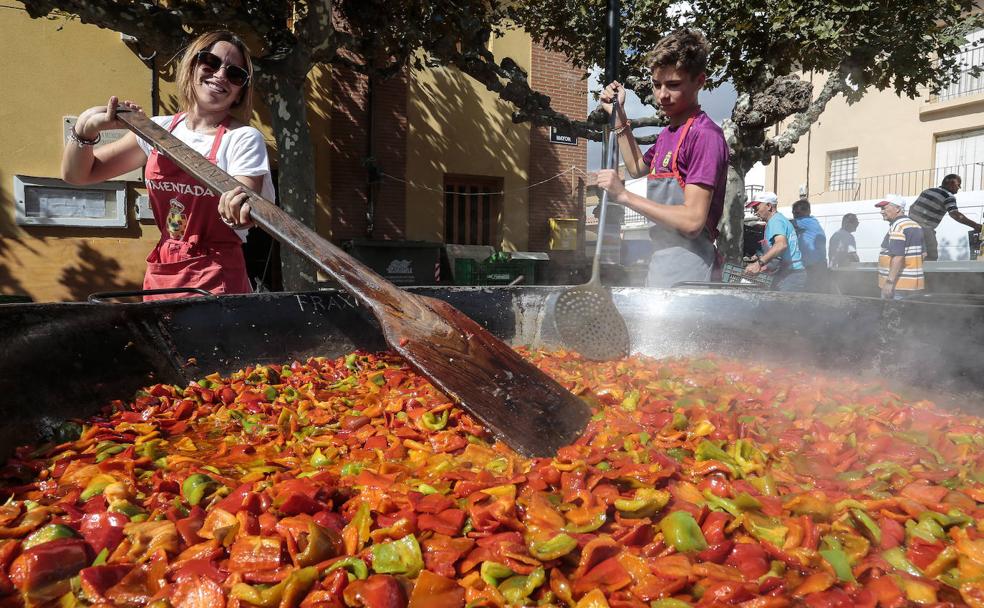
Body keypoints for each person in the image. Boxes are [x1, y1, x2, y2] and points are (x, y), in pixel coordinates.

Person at [62, 30, 273, 301]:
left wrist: (239, 208)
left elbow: (243, 211)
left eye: (234, 74)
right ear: (192, 66)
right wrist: (86, 129)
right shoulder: (158, 130)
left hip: (215, 275)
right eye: (211, 62)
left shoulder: (243, 138)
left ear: (240, 92)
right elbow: (77, 175)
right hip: (164, 270)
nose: (220, 75)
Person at [595, 28, 729, 287]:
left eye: (673, 85)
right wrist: (618, 114)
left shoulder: (704, 135)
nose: (662, 95)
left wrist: (623, 196)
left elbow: (692, 221)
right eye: (657, 85)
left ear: (700, 81)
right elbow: (634, 167)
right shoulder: (668, 134)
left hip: (691, 273)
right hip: (660, 264)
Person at [908, 174, 981, 261]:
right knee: (931, 256)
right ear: (951, 184)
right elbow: (955, 214)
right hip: (925, 229)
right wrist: (976, 225)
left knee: (912, 255)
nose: (959, 188)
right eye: (958, 185)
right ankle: (926, 274)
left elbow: (912, 207)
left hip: (909, 227)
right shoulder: (948, 196)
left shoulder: (928, 191)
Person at [744, 192, 807, 292]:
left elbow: (781, 245)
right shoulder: (777, 220)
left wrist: (758, 264)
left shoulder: (775, 221)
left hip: (791, 275)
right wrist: (765, 267)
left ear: (769, 206)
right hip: (790, 274)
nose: (754, 212)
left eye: (756, 208)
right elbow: (778, 256)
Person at [876, 194, 924, 300]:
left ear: (898, 208)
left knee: (891, 314)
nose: (881, 211)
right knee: (907, 315)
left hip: (897, 286)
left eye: (884, 208)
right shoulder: (915, 225)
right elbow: (924, 254)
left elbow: (898, 256)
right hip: (912, 284)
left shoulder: (898, 226)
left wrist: (889, 282)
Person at [791, 199, 827, 292]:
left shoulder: (806, 221)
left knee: (811, 294)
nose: (795, 216)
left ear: (807, 211)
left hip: (815, 266)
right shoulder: (809, 222)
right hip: (816, 264)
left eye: (798, 213)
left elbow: (785, 223)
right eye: (794, 213)